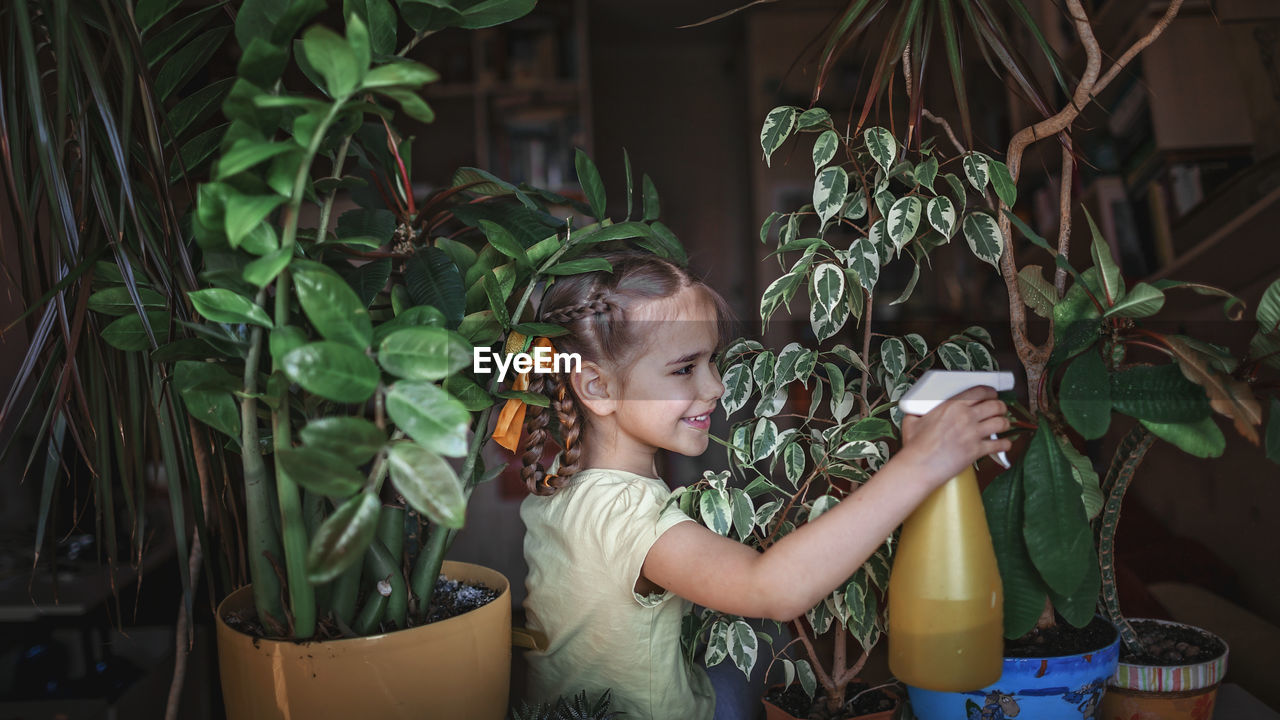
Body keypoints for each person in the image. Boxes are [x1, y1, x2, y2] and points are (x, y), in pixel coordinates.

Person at [504, 250, 1011, 720]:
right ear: (597, 387)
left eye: (710, 362)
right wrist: (922, 463)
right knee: (760, 657)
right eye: (684, 369)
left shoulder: (562, 488)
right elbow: (773, 589)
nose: (716, 387)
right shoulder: (624, 511)